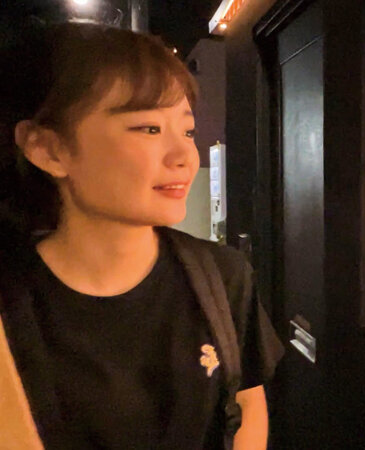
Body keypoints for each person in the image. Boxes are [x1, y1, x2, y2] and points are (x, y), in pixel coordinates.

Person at [0, 22, 284, 449]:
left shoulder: (222, 277)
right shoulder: (13, 299)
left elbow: (245, 407)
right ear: (49, 150)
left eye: (187, 131)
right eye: (149, 128)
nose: (185, 156)